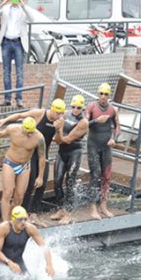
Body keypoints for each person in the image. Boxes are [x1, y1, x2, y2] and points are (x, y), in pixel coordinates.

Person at [0, 99, 66, 226]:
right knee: (30, 183)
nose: (60, 116)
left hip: (42, 154)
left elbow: (60, 141)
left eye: (62, 113)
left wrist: (58, 129)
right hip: (29, 154)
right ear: (53, 109)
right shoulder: (39, 113)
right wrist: (4, 121)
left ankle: (34, 215)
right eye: (58, 113)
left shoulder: (59, 122)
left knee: (42, 183)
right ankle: (24, 213)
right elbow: (20, 115)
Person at [0, 115, 45, 223]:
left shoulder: (39, 138)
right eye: (27, 131)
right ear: (22, 127)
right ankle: (5, 222)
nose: (29, 134)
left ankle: (12, 219)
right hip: (10, 163)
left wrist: (40, 176)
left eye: (31, 132)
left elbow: (42, 156)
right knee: (7, 193)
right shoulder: (13, 129)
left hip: (24, 166)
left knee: (19, 197)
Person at [0, 0, 37, 107]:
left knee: (19, 72)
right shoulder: (5, 8)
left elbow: (33, 19)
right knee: (6, 72)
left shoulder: (24, 10)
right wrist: (2, 4)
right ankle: (7, 98)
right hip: (6, 41)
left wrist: (23, 6)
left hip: (18, 42)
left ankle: (19, 98)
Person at [50, 95, 89, 225]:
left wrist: (57, 132)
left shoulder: (83, 122)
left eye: (79, 108)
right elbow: (57, 138)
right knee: (56, 181)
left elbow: (66, 140)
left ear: (83, 108)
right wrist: (57, 134)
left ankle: (68, 213)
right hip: (62, 153)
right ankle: (60, 208)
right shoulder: (65, 115)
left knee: (70, 182)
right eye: (73, 107)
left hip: (74, 152)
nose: (76, 110)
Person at [0, 206, 54, 280]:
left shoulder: (30, 229)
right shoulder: (4, 228)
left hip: (19, 262)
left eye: (25, 219)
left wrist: (49, 264)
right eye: (20, 219)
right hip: (3, 263)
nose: (23, 222)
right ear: (13, 219)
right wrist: (9, 262)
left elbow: (44, 247)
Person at [85, 82, 120, 220]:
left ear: (109, 95)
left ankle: (103, 206)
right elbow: (83, 124)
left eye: (106, 94)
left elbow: (117, 127)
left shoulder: (112, 110)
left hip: (106, 147)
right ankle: (93, 207)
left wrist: (114, 138)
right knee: (95, 175)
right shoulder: (91, 107)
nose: (103, 97)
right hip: (93, 145)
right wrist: (96, 121)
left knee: (106, 176)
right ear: (97, 94)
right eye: (101, 94)